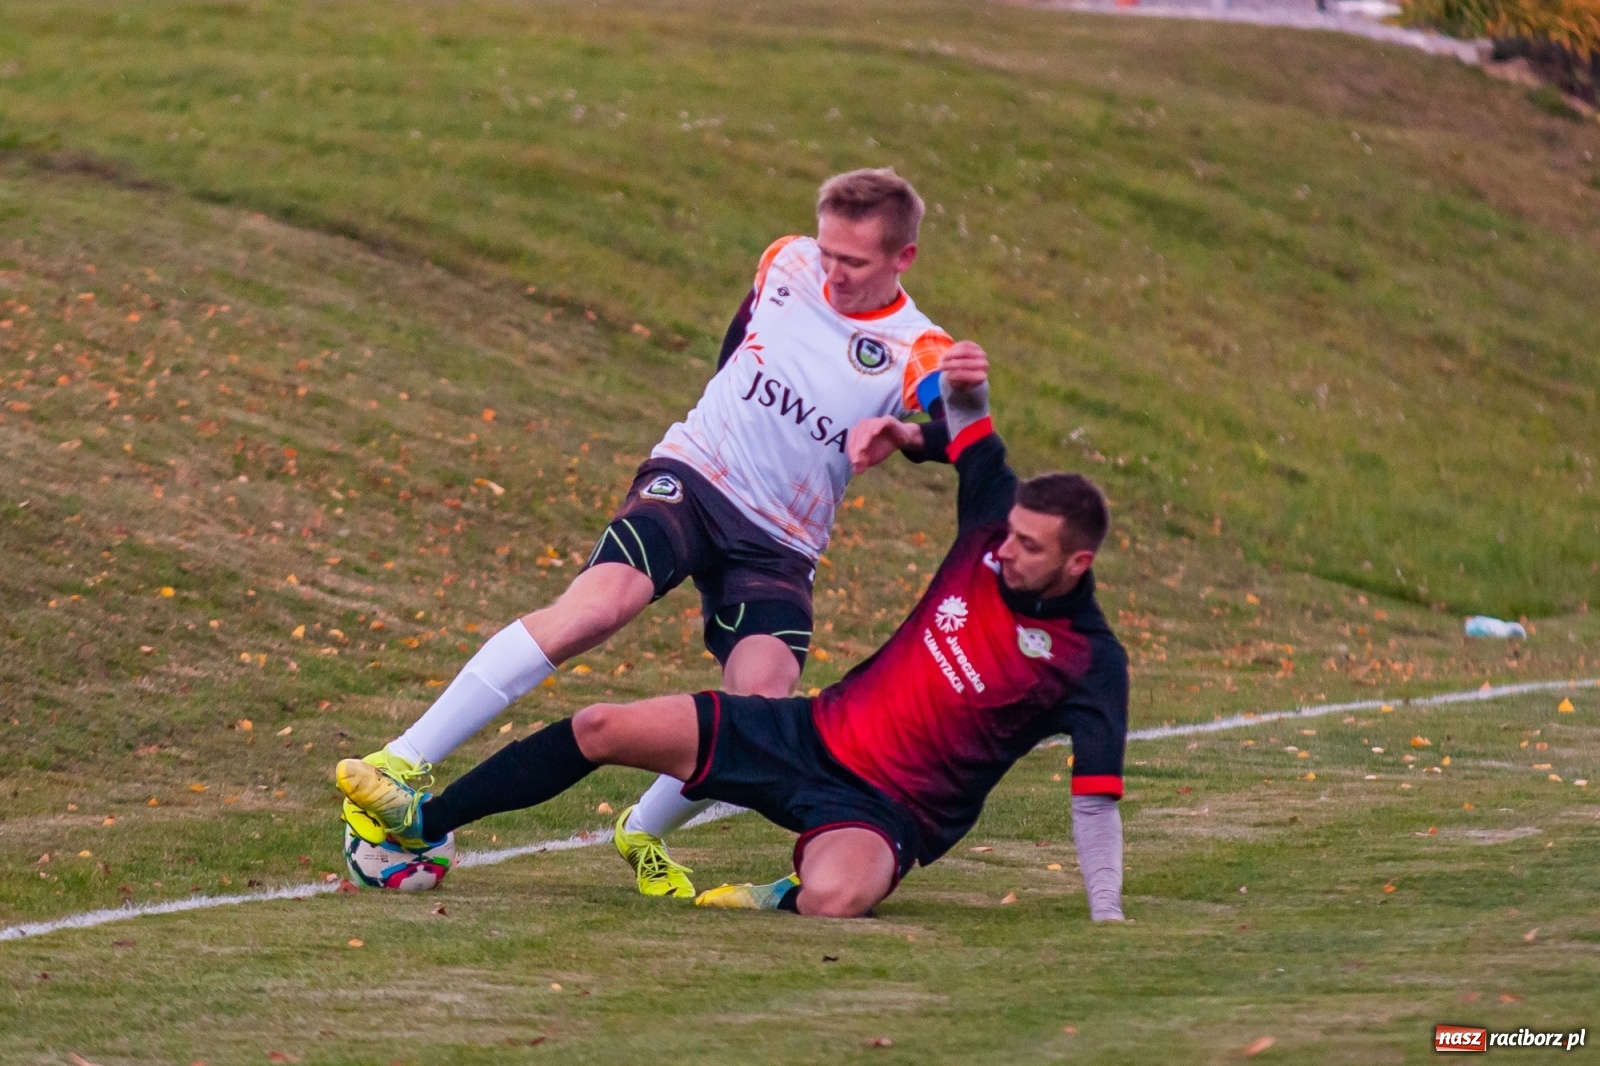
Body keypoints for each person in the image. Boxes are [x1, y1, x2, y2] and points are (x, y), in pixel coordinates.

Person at [340, 168, 964, 900]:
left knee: (759, 706)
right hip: (694, 479)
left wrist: (904, 436)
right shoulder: (785, 260)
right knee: (600, 607)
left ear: (903, 257)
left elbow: (960, 431)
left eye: (853, 261)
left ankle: (641, 831)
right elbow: (741, 344)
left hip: (780, 544)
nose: (832, 272)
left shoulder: (917, 346)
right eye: (827, 251)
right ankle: (402, 760)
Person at [337, 348, 1130, 921]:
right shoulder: (992, 523)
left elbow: (1095, 802)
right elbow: (971, 431)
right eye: (1010, 533)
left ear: (1078, 563)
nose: (1006, 550)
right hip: (808, 736)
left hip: (890, 811)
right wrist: (945, 404)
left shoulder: (1089, 663)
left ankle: (781, 892)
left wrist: (1108, 916)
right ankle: (423, 825)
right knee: (602, 726)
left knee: (834, 900)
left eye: (1030, 547)